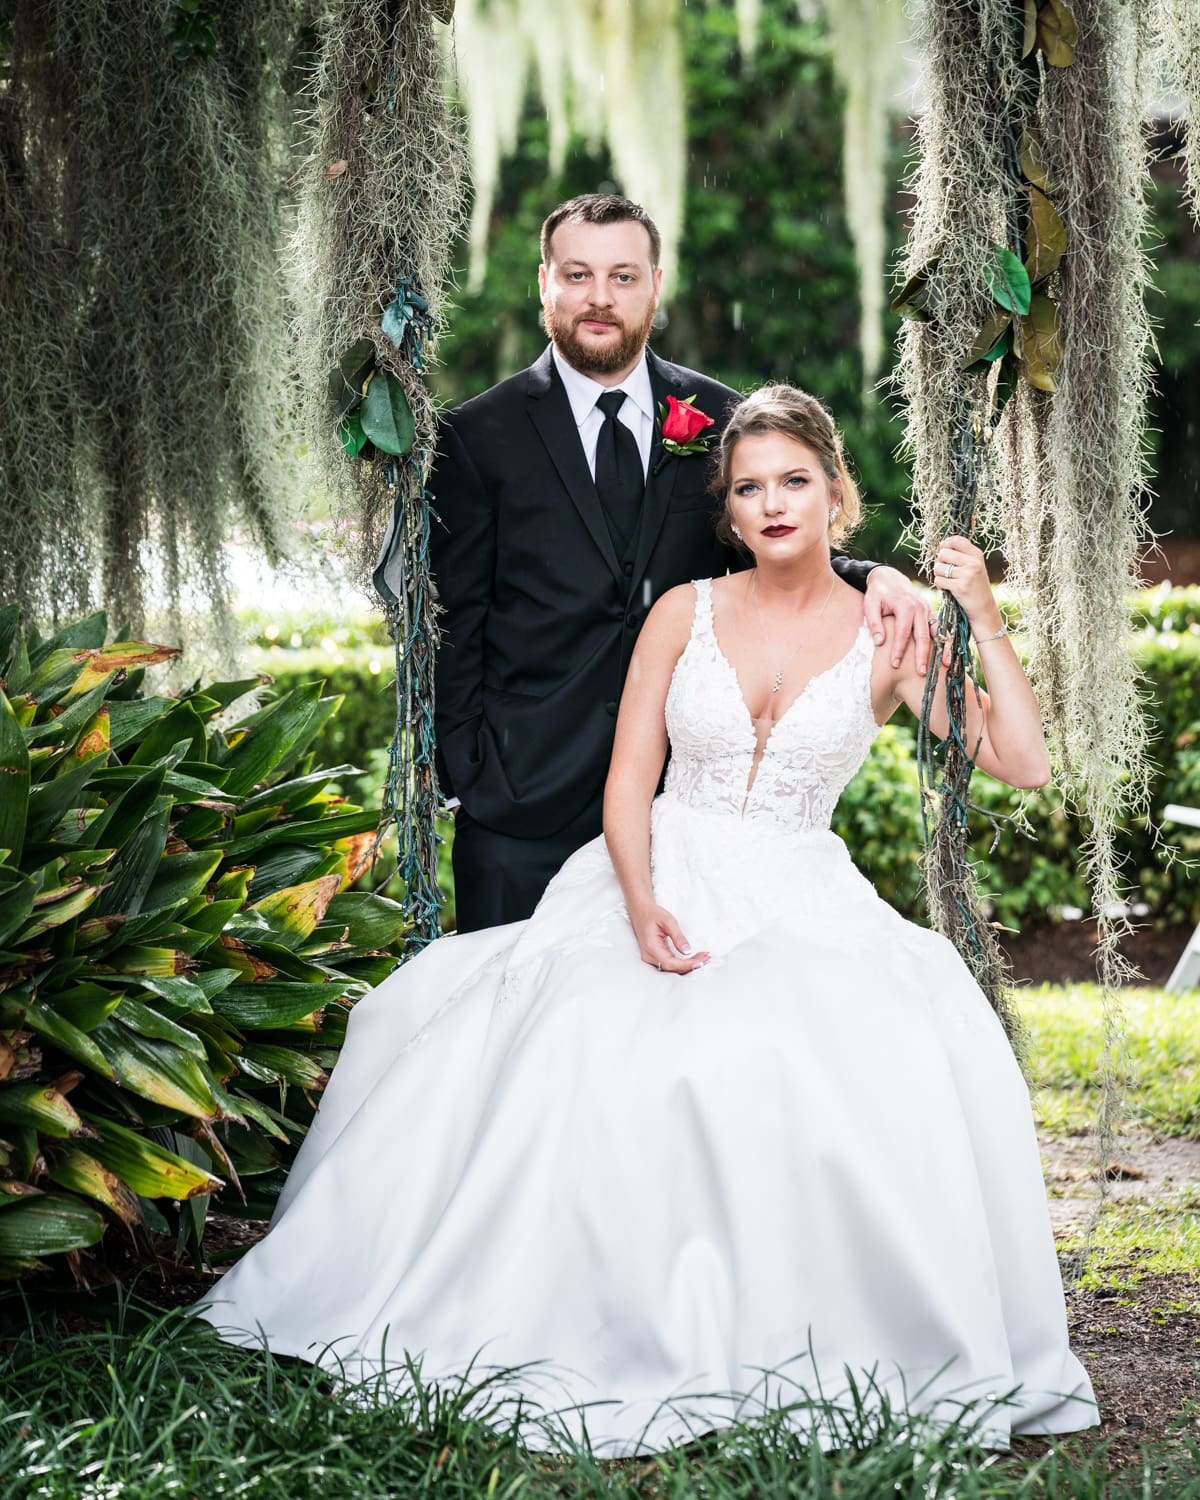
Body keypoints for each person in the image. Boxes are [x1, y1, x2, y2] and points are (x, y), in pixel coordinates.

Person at [197, 384, 1098, 1456]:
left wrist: (982, 621)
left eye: (793, 482)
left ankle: (787, 1335)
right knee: (581, 1044)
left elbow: (1023, 764)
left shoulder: (889, 631)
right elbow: (629, 783)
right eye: (749, 487)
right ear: (727, 508)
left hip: (801, 886)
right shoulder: (687, 612)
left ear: (835, 494)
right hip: (657, 867)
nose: (771, 505)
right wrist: (639, 902)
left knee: (834, 1059)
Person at [426, 193, 932, 933]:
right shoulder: (476, 436)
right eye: (578, 275)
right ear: (544, 284)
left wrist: (870, 574)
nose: (600, 298)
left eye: (623, 277)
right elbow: (453, 624)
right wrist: (470, 778)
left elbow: (777, 541)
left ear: (655, 287)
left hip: (681, 825)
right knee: (518, 1034)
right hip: (520, 808)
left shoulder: (720, 417)